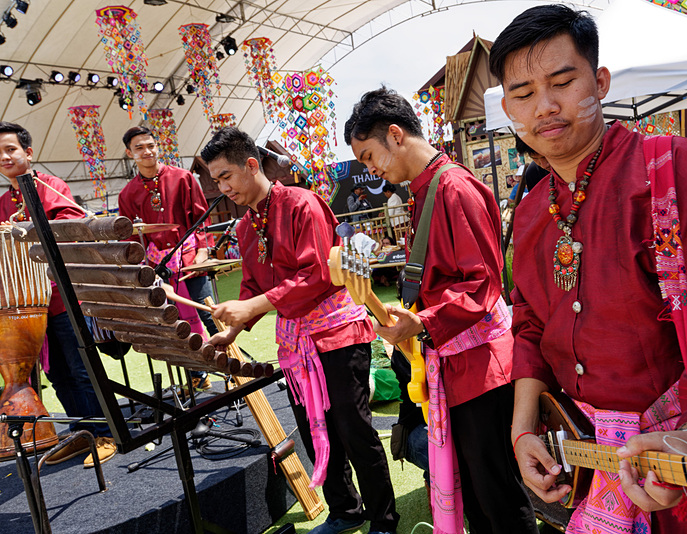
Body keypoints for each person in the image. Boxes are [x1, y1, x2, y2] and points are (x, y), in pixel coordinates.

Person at [490, 5, 687, 534]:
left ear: (600, 81)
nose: (545, 106)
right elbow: (529, 324)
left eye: (563, 81)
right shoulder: (528, 211)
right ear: (508, 109)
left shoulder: (674, 169)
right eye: (523, 94)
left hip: (680, 458)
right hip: (586, 462)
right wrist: (524, 431)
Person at [345, 87, 538, 534]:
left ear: (395, 135)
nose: (371, 168)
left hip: (481, 368)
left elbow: (482, 284)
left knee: (498, 495)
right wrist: (415, 317)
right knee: (474, 491)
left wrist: (424, 321)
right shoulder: (428, 189)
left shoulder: (453, 187)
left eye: (370, 155)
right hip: (455, 363)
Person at [200, 127, 399, 534]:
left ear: (251, 165)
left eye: (226, 177)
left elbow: (318, 274)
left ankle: (384, 518)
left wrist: (253, 306)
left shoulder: (302, 203)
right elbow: (252, 287)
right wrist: (231, 333)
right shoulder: (243, 227)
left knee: (354, 429)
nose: (222, 188)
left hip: (337, 332)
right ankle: (345, 511)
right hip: (296, 342)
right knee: (313, 428)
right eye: (216, 180)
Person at [0, 121, 117, 467]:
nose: (5, 157)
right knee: (58, 374)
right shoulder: (4, 201)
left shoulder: (52, 187)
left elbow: (70, 228)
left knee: (83, 369)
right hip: (29, 308)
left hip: (64, 298)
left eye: (11, 149)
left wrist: (21, 231)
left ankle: (106, 433)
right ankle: (83, 433)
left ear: (28, 153)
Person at [117, 126, 216, 391]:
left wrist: (203, 250)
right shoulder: (127, 194)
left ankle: (233, 372)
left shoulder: (183, 178)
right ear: (130, 153)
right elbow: (130, 239)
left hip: (190, 259)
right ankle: (198, 375)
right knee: (174, 323)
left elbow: (201, 218)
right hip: (157, 269)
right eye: (139, 148)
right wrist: (144, 271)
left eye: (151, 145)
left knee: (209, 315)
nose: (147, 151)